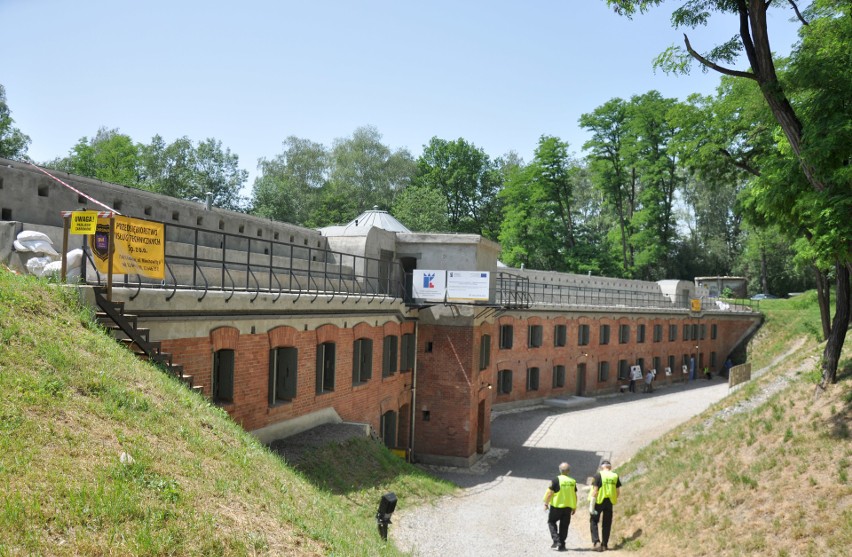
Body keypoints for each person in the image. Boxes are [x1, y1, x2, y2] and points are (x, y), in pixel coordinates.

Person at [543, 462, 577, 551]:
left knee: (551, 522)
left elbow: (550, 493)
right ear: (568, 471)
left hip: (557, 506)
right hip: (568, 507)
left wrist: (546, 503)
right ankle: (562, 545)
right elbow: (574, 495)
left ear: (560, 470)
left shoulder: (556, 480)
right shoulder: (572, 481)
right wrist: (574, 506)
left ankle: (556, 540)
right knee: (564, 526)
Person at [590, 460, 621, 552]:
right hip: (609, 502)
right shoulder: (615, 476)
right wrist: (613, 498)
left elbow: (595, 491)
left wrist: (592, 504)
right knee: (607, 523)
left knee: (594, 520)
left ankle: (596, 542)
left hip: (599, 501)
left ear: (601, 467)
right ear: (610, 467)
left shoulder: (598, 475)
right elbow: (618, 491)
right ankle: (605, 544)